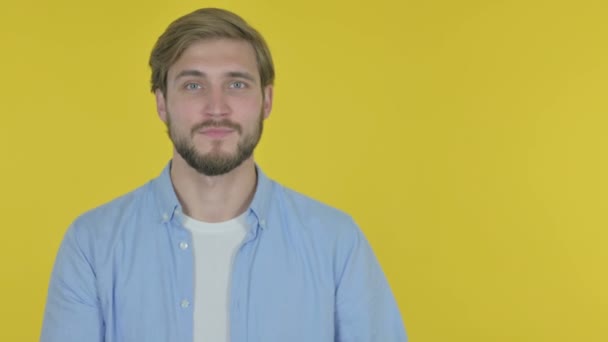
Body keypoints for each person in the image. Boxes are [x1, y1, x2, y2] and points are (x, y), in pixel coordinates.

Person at [40, 7, 406, 342]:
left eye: (236, 84)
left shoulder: (336, 244)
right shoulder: (91, 245)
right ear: (161, 103)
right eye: (193, 85)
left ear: (267, 100)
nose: (216, 108)